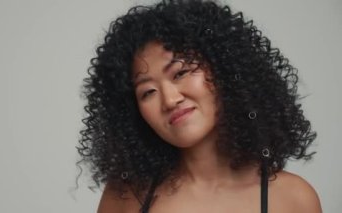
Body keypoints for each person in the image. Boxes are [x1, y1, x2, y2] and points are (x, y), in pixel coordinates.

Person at [77, 0, 322, 212]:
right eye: (148, 92)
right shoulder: (127, 197)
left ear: (224, 70)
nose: (170, 99)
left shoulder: (293, 199)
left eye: (180, 72)